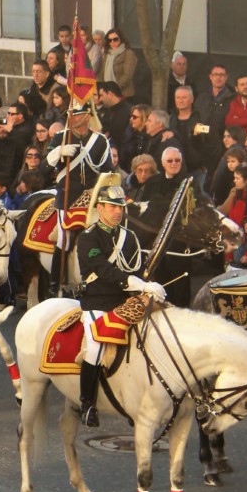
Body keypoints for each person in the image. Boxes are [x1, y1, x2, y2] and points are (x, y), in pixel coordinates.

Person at [76, 176, 166, 427]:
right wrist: (138, 284)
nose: (118, 212)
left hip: (125, 300)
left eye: (121, 207)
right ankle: (86, 403)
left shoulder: (128, 237)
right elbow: (103, 270)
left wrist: (148, 284)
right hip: (97, 301)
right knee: (95, 347)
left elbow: (138, 268)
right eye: (112, 207)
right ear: (100, 208)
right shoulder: (88, 238)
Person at [45, 100, 112, 296]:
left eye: (76, 114)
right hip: (68, 195)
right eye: (70, 114)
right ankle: (55, 282)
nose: (71, 117)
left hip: (92, 197)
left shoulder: (100, 141)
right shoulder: (60, 138)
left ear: (87, 116)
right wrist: (59, 152)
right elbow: (44, 167)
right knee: (63, 239)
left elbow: (107, 170)